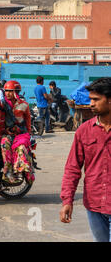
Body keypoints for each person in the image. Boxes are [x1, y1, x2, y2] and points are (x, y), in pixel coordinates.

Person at [60, 77, 111, 242]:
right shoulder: (84, 131)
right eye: (91, 99)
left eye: (96, 99)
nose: (91, 104)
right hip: (94, 204)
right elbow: (72, 168)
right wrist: (67, 200)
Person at [0, 80, 34, 184]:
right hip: (7, 132)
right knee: (4, 145)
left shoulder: (24, 105)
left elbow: (28, 120)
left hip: (21, 133)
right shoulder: (2, 104)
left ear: (16, 92)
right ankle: (8, 171)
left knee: (21, 147)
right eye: (6, 91)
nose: (8, 93)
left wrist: (29, 132)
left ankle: (20, 172)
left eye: (10, 91)